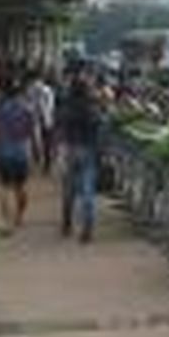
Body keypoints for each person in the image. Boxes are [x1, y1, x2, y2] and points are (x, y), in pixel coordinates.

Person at [59, 72, 102, 243]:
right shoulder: (93, 109)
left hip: (70, 149)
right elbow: (99, 129)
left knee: (68, 190)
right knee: (87, 191)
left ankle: (67, 223)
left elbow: (61, 129)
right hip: (88, 150)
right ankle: (87, 228)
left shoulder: (66, 108)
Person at [0, 77, 36, 232]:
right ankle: (19, 217)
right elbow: (31, 132)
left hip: (2, 151)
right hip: (22, 152)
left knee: (3, 187)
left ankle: (7, 221)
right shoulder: (27, 108)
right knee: (21, 187)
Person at [26, 69, 56, 174]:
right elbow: (51, 105)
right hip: (43, 118)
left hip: (40, 118)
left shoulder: (39, 90)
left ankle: (43, 162)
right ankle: (44, 162)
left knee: (40, 141)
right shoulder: (46, 90)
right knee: (42, 141)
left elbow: (30, 104)